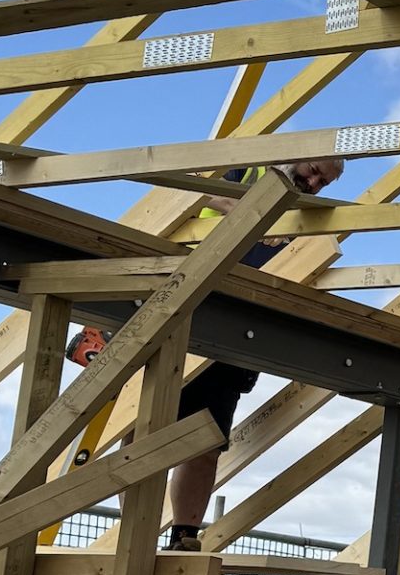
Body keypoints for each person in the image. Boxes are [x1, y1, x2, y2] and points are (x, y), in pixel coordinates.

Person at [68, 157, 344, 552]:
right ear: (297, 156)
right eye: (313, 170)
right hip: (182, 304)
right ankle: (135, 535)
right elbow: (184, 182)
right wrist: (246, 211)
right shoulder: (247, 168)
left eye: (324, 182)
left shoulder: (308, 216)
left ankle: (184, 537)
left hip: (233, 332)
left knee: (206, 439)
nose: (314, 183)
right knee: (141, 429)